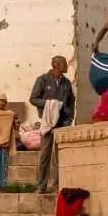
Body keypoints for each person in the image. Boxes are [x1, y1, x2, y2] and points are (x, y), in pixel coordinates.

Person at [30, 55, 75, 194]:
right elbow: (33, 99)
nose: (67, 66)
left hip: (62, 124)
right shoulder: (42, 80)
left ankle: (57, 186)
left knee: (60, 157)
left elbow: (71, 102)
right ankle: (41, 186)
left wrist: (69, 117)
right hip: (47, 124)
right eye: (64, 64)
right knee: (45, 156)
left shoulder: (67, 83)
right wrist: (50, 104)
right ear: (56, 65)